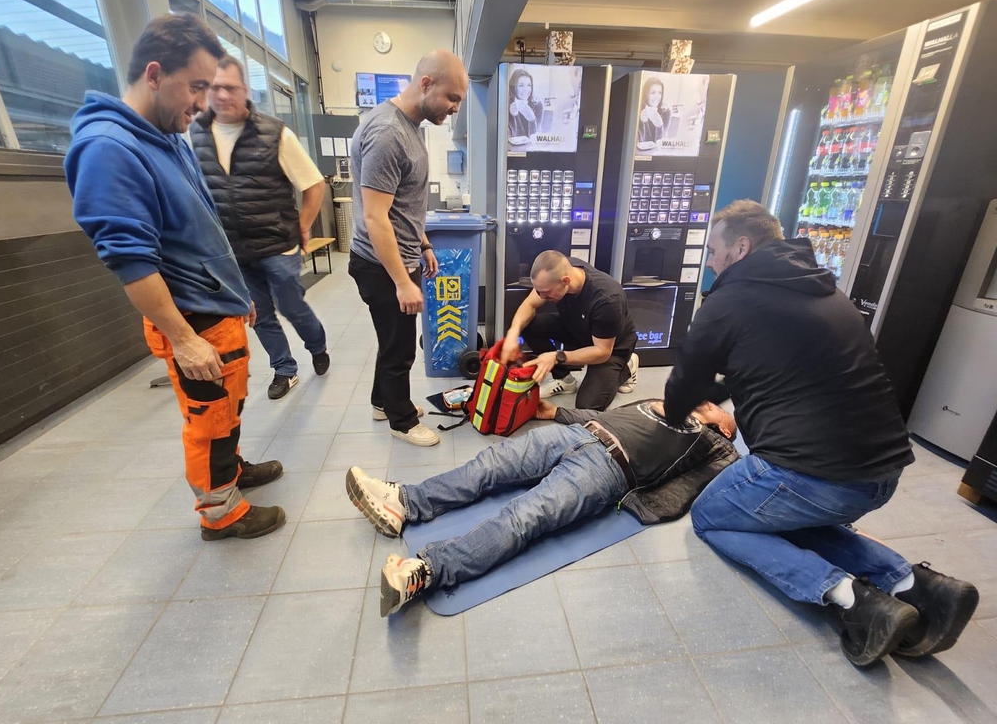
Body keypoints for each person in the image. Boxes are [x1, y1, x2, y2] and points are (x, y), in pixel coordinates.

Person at [663, 199, 979, 667]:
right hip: (883, 473)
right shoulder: (826, 288)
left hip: (814, 476)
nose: (710, 261)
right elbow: (782, 364)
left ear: (741, 247)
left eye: (713, 251)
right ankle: (915, 585)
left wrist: (680, 412)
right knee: (785, 516)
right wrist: (726, 389)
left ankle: (851, 598)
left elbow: (682, 388)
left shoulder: (728, 300)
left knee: (712, 516)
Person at [64, 14, 286, 541]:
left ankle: (229, 471)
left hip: (216, 308)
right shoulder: (109, 148)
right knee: (209, 418)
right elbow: (131, 261)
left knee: (228, 404)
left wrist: (236, 295)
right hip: (192, 319)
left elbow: (199, 228)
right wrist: (184, 339)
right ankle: (220, 512)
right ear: (155, 74)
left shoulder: (166, 136)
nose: (204, 103)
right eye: (197, 87)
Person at [346, 397, 739, 616]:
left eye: (720, 408)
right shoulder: (667, 400)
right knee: (489, 465)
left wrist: (641, 505)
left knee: (524, 517)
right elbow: (605, 415)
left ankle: (428, 571)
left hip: (609, 470)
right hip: (577, 433)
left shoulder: (717, 445)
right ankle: (405, 502)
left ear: (725, 427)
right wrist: (557, 414)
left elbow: (689, 489)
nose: (710, 401)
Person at [188, 56, 330, 401]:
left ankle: (317, 345)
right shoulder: (193, 135)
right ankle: (284, 369)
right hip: (232, 252)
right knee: (259, 314)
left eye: (230, 87)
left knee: (291, 306)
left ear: (245, 90)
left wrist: (303, 226)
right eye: (215, 87)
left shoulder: (275, 133)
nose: (223, 95)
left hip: (278, 245)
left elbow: (314, 184)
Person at [348, 49, 469, 447]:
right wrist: (402, 281)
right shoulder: (388, 133)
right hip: (383, 265)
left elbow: (405, 204)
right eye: (452, 98)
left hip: (401, 256)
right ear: (426, 84)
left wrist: (424, 244)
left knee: (392, 340)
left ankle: (382, 401)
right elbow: (376, 217)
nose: (455, 108)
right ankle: (401, 421)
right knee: (400, 348)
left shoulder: (410, 126)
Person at [502, 250, 640, 409]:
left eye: (546, 293)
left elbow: (602, 352)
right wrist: (512, 334)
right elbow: (529, 304)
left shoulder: (607, 299)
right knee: (528, 325)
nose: (541, 297)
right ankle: (564, 379)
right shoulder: (558, 271)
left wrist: (556, 357)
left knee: (586, 408)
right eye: (538, 291)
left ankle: (627, 367)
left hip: (610, 348)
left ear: (565, 281)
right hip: (577, 326)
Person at [508, 69, 543, 145]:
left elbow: (533, 138)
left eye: (529, 85)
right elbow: (518, 140)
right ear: (514, 87)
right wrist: (515, 116)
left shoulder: (538, 105)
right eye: (521, 85)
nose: (526, 90)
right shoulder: (508, 105)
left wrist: (532, 119)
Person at [637, 77, 671, 151]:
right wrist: (645, 123)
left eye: (660, 93)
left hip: (660, 153)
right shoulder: (639, 110)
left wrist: (659, 126)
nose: (657, 97)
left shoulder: (666, 111)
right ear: (646, 94)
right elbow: (646, 144)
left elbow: (659, 144)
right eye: (652, 93)